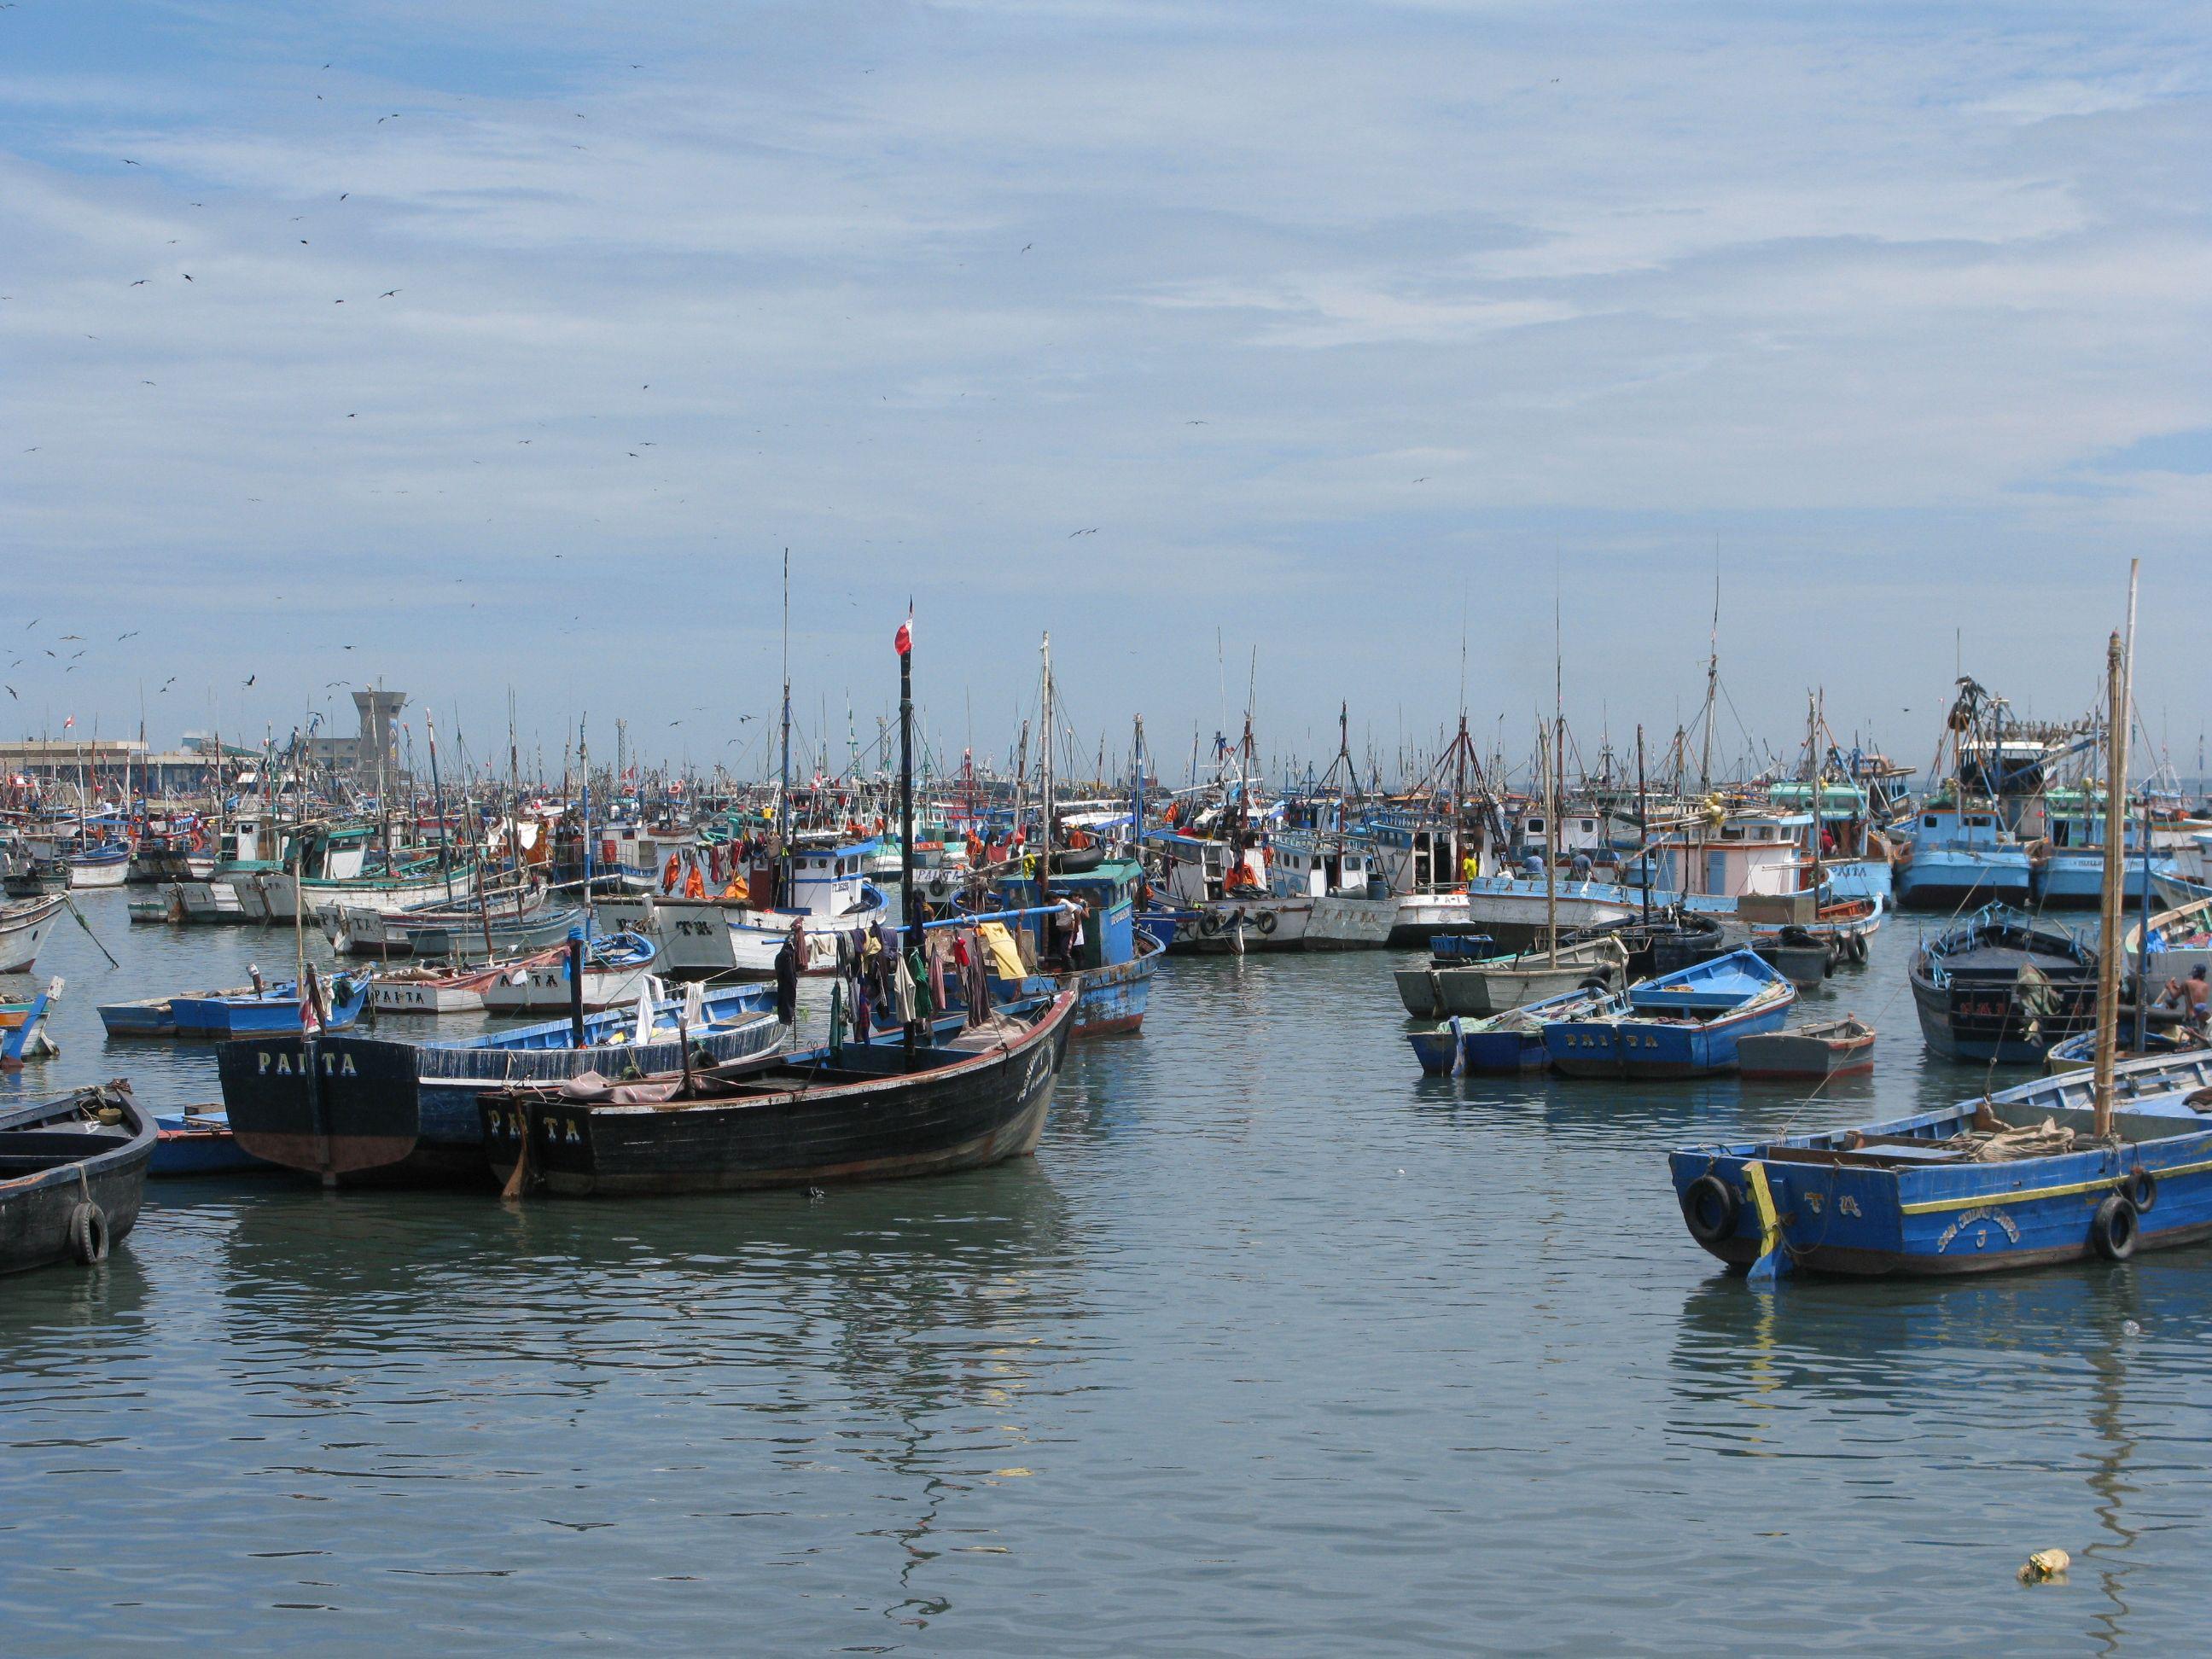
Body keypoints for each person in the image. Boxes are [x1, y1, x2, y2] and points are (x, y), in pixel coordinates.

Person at [772, 923, 801, 1026]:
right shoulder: (787, 955)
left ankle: (786, 1016)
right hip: (786, 959)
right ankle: (787, 1016)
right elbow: (791, 983)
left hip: (784, 958)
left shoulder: (784, 954)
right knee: (789, 987)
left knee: (785, 987)